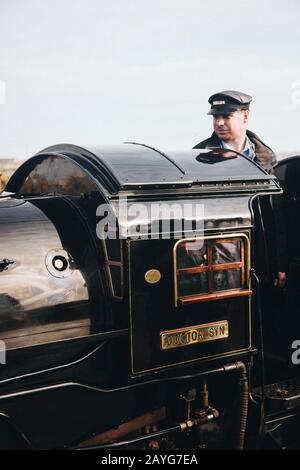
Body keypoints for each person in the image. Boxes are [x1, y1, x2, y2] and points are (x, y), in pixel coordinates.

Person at [193, 90, 286, 288]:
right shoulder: (198, 158)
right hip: (220, 260)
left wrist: (279, 263)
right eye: (216, 117)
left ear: (245, 116)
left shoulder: (266, 158)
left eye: (226, 116)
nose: (219, 123)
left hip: (261, 258)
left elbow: (275, 217)